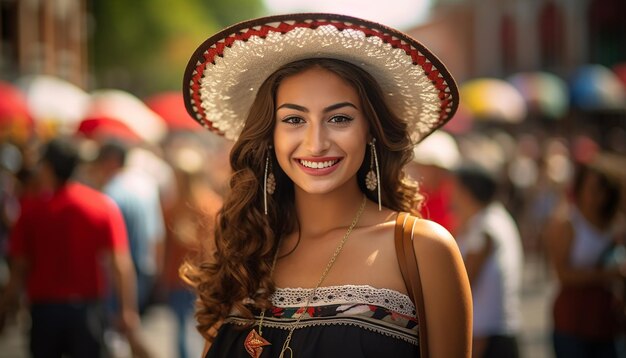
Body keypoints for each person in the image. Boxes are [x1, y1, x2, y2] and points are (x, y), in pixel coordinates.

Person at [180, 13, 472, 357]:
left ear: (371, 130)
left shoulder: (422, 249)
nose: (316, 143)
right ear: (269, 135)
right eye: (293, 119)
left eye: (339, 118)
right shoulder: (244, 249)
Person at [0, 137, 149, 357]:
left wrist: (6, 304)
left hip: (44, 311)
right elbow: (120, 263)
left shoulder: (32, 210)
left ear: (48, 167)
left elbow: (20, 266)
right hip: (87, 310)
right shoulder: (101, 205)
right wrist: (127, 310)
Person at [545, 156, 625, 358]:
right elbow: (563, 274)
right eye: (591, 189)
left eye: (601, 190)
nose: (595, 197)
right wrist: (608, 275)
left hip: (608, 322)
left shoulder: (616, 224)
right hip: (574, 321)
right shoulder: (568, 224)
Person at [450, 164, 523, 358]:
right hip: (494, 333)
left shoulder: (485, 228)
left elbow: (463, 280)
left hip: (488, 337)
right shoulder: (493, 218)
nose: (450, 194)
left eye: (455, 187)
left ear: (466, 191)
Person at [90, 140, 165, 314]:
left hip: (121, 276)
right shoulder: (146, 185)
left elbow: (112, 251)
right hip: (145, 267)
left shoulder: (111, 193)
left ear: (111, 162)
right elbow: (157, 233)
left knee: (117, 330)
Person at [405, 130, 461, 232]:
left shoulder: (454, 195)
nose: (422, 171)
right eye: (422, 166)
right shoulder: (413, 194)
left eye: (428, 167)